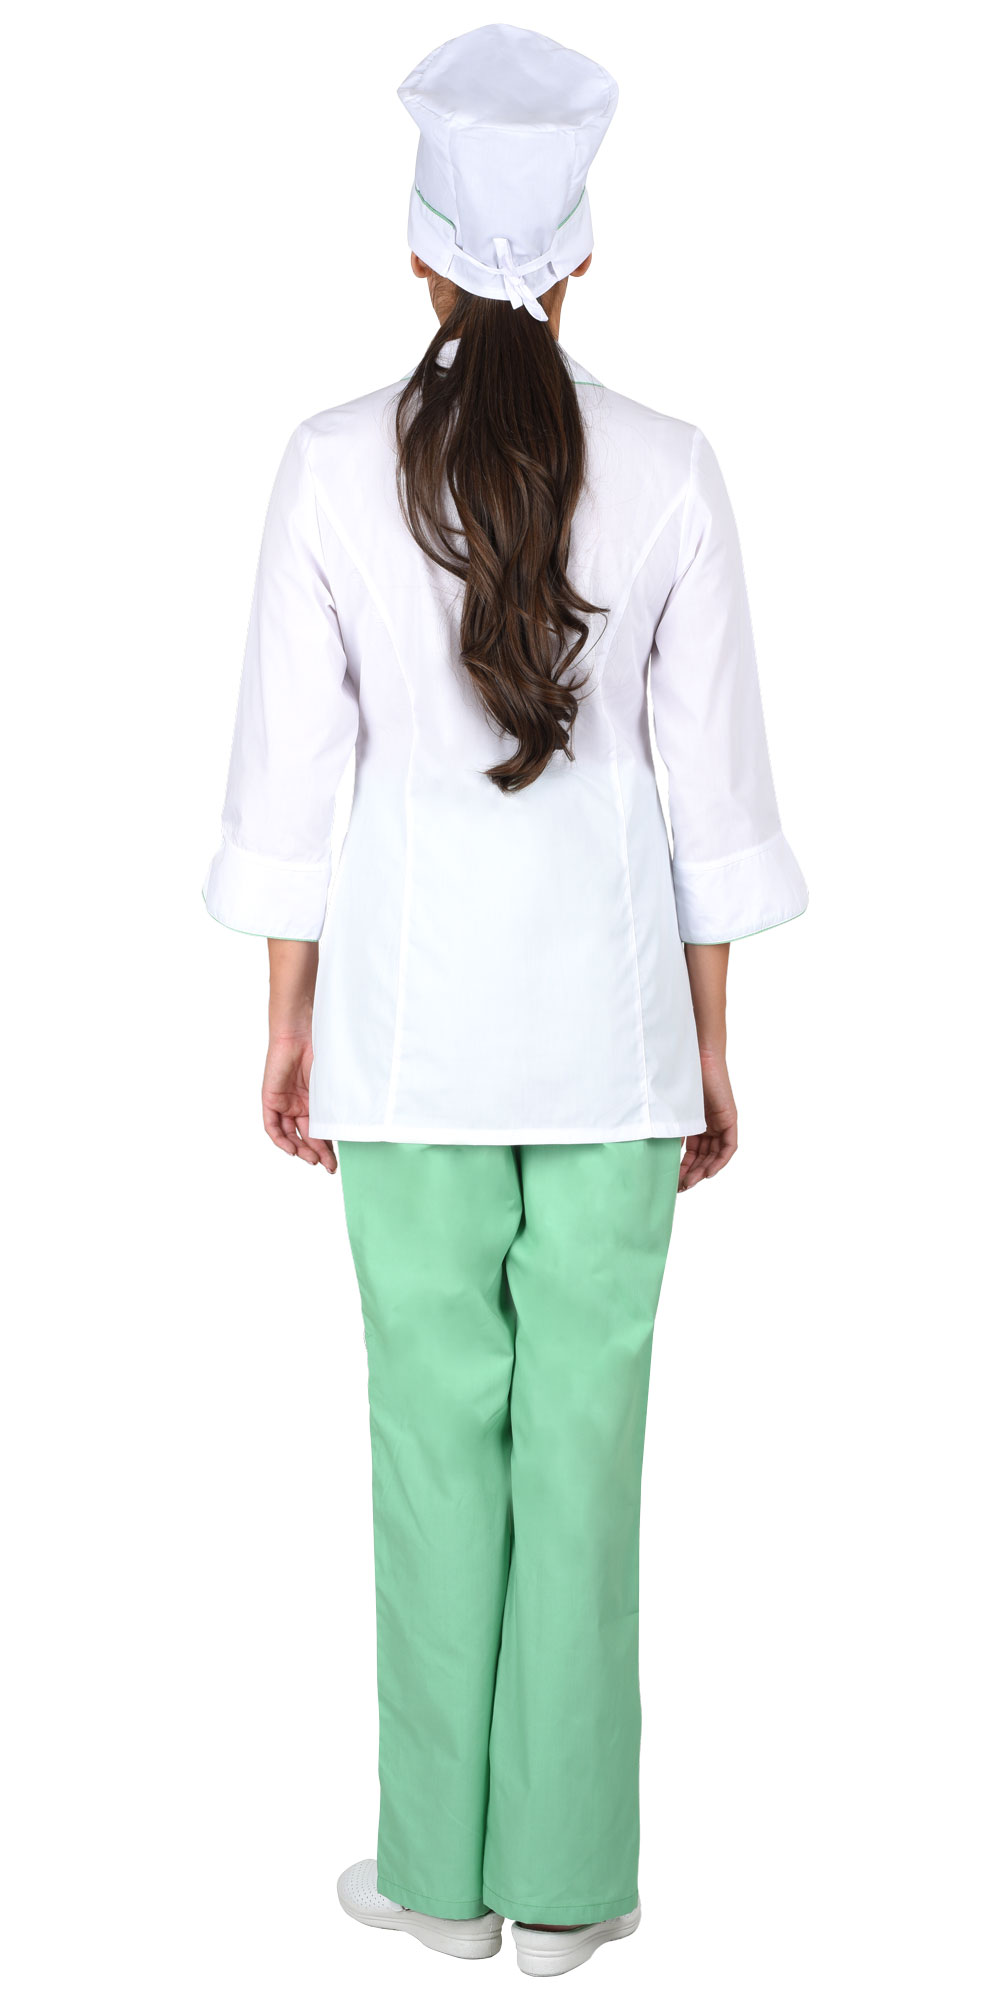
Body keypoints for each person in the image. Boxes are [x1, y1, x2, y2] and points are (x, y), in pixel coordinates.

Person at [203, 22, 808, 1981]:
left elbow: (291, 789)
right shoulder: (674, 468)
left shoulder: (325, 466)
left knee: (429, 1450)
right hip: (618, 1044)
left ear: (416, 254)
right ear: (581, 255)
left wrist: (287, 1023)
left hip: (403, 1042)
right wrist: (709, 1049)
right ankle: (569, 1884)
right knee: (586, 1456)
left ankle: (438, 1876)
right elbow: (712, 797)